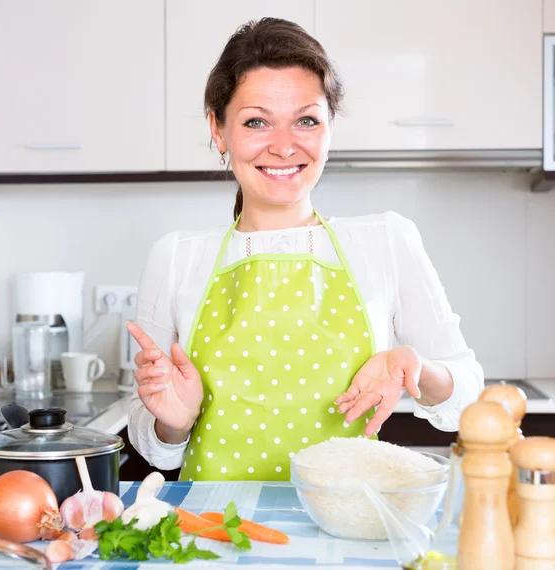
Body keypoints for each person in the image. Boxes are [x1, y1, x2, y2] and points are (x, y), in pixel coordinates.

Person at [126, 17, 484, 481]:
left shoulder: (386, 241)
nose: (283, 146)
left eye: (306, 120)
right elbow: (153, 445)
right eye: (256, 121)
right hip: (215, 537)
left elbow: (469, 399)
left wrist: (416, 368)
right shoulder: (176, 256)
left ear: (329, 129)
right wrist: (173, 422)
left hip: (348, 530)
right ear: (218, 130)